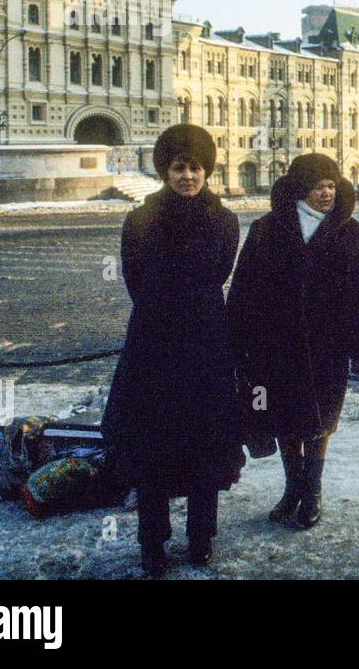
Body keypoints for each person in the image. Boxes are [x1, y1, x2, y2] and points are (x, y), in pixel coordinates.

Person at [102, 125, 245, 578]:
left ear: (207, 171)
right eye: (179, 168)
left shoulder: (224, 219)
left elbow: (221, 268)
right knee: (152, 446)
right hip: (155, 345)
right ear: (166, 171)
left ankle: (201, 536)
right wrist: (165, 309)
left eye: (196, 168)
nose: (188, 176)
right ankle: (152, 543)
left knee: (205, 443)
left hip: (206, 344)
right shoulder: (141, 219)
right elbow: (134, 277)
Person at [227, 154, 359, 531]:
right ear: (300, 189)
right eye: (318, 187)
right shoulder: (266, 230)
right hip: (275, 345)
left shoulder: (352, 233)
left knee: (320, 420)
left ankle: (312, 491)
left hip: (328, 347)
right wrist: (237, 340)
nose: (326, 193)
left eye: (331, 185)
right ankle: (293, 487)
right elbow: (243, 287)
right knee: (283, 419)